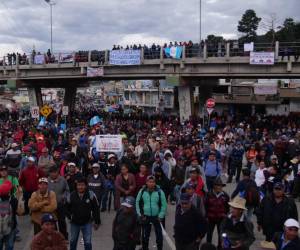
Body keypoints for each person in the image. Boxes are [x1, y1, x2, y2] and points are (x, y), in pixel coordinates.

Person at [67, 177, 100, 250]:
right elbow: (66, 207)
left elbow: (96, 208)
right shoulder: (71, 195)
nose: (80, 187)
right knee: (73, 241)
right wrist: (70, 216)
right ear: (76, 186)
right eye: (78, 185)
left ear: (86, 185)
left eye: (82, 185)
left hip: (87, 222)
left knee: (87, 242)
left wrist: (97, 221)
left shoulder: (91, 194)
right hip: (74, 223)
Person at [136, 175, 167, 250]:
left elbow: (164, 204)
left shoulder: (160, 192)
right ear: (146, 183)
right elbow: (137, 202)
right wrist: (140, 214)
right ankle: (145, 248)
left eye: (153, 182)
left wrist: (161, 215)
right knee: (145, 236)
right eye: (149, 182)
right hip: (145, 216)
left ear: (155, 183)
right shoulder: (142, 191)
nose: (151, 183)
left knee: (159, 236)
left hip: (157, 217)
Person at [205, 177, 230, 248]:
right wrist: (206, 216)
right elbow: (205, 206)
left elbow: (227, 208)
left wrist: (225, 216)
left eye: (221, 185)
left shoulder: (226, 196)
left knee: (221, 235)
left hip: (221, 219)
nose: (219, 187)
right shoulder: (208, 194)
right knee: (209, 234)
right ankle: (208, 248)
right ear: (214, 186)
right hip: (210, 218)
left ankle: (220, 247)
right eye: (218, 185)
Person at [48, 165, 70, 239]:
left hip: (61, 204)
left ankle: (64, 237)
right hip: (51, 205)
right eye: (51, 173)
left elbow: (67, 190)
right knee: (52, 222)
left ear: (57, 172)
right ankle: (55, 237)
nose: (53, 174)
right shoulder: (47, 181)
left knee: (62, 221)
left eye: (55, 172)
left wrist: (64, 197)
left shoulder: (63, 180)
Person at [0, 179, 18, 250]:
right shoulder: (14, 201)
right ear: (9, 193)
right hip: (11, 228)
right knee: (9, 246)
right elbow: (20, 211)